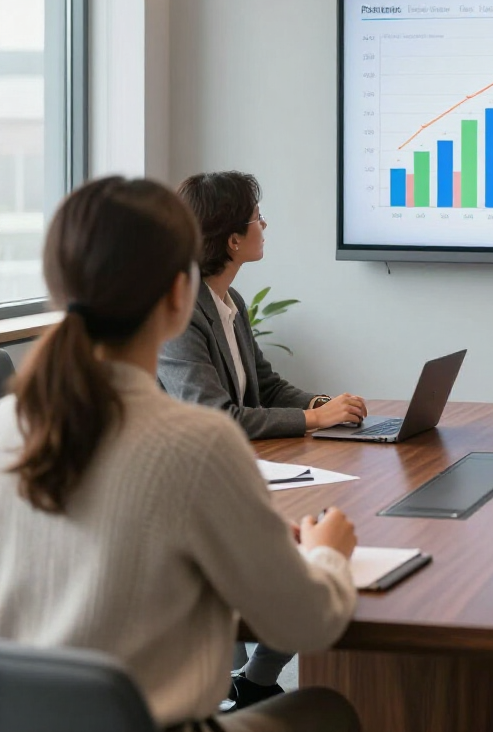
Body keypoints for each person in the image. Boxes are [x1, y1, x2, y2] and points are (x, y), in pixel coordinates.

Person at [0, 176, 361, 732]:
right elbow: (306, 625)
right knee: (327, 708)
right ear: (177, 294)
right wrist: (326, 554)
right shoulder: (197, 444)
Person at [158, 171, 367, 709]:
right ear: (232, 240)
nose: (264, 224)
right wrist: (312, 425)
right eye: (256, 218)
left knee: (303, 542)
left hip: (251, 468)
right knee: (297, 558)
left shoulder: (229, 301)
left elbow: (266, 383)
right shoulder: (182, 315)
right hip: (205, 481)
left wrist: (321, 406)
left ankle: (249, 682)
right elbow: (216, 414)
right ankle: (242, 682)